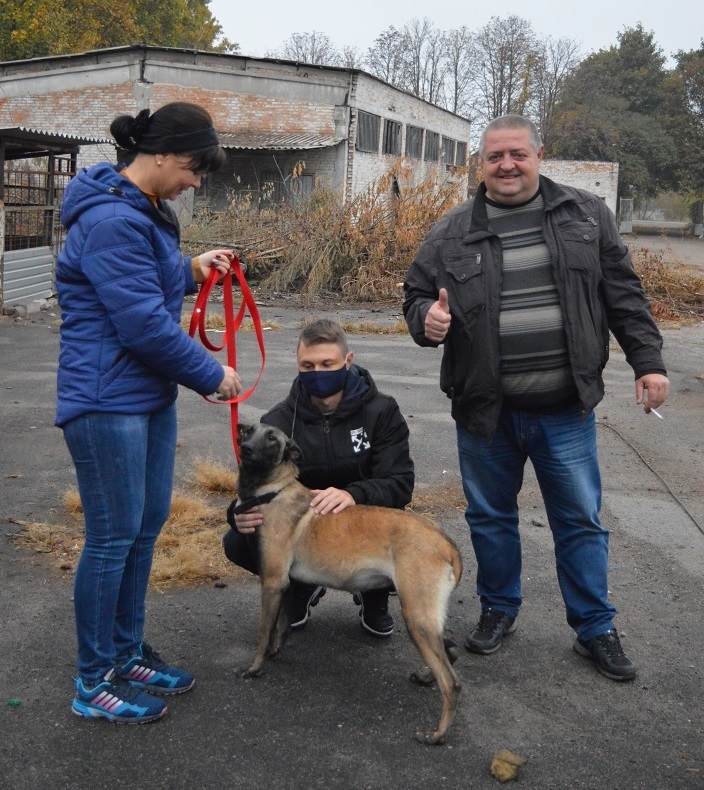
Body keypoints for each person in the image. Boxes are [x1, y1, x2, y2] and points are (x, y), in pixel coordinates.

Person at [403, 115, 669, 681]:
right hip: (485, 412)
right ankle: (499, 610)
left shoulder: (585, 215)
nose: (507, 165)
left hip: (564, 410)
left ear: (539, 154)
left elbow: (624, 294)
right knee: (491, 518)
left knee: (580, 520)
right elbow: (416, 296)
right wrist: (425, 319)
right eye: (495, 155)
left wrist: (648, 362)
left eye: (517, 154)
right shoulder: (449, 232)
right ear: (481, 163)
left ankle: (594, 628)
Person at [56, 102, 242, 723]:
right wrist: (211, 373)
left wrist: (192, 268)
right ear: (160, 156)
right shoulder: (113, 219)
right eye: (193, 169)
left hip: (145, 396)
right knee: (111, 538)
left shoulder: (148, 212)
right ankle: (92, 681)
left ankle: (125, 652)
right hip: (106, 399)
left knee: (143, 527)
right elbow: (138, 324)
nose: (196, 182)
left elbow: (145, 284)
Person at [223, 318, 414, 636]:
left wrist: (354, 494)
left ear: (348, 361)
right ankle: (301, 585)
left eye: (328, 364)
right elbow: (252, 484)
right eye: (308, 365)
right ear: (297, 365)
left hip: (363, 521)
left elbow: (400, 482)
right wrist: (236, 513)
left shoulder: (382, 411)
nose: (318, 373)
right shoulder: (277, 423)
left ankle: (373, 593)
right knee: (239, 542)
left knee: (394, 524)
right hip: (306, 529)